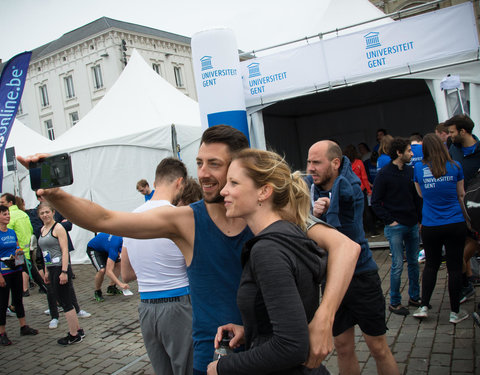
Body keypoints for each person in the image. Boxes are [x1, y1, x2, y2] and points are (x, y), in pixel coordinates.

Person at [19, 125, 359, 374]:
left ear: (238, 168)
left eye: (214, 164)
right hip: (211, 358)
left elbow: (345, 248)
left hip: (270, 357)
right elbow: (106, 218)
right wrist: (57, 195)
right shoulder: (185, 221)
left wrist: (323, 318)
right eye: (199, 163)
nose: (204, 174)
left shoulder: (270, 219)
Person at [207, 149, 329, 375]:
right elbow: (291, 315)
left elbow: (291, 346)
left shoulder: (268, 250)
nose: (224, 190)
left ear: (264, 191)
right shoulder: (288, 234)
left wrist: (222, 367)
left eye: (234, 183)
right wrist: (254, 329)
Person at [307, 140, 399, 375]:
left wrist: (327, 207)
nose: (310, 168)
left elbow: (346, 205)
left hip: (360, 277)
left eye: (316, 162)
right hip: (332, 280)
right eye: (309, 162)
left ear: (335, 163)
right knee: (343, 346)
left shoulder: (349, 188)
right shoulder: (311, 191)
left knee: (377, 347)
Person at [122, 158, 193, 375]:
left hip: (146, 306)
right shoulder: (180, 216)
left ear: (155, 181)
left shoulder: (130, 217)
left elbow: (126, 274)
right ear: (179, 182)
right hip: (178, 303)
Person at [412, 133, 469, 324]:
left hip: (431, 224)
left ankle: (423, 306)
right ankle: (455, 312)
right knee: (454, 268)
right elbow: (461, 195)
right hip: (455, 222)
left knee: (431, 265)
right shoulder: (455, 166)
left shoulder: (419, 168)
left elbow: (421, 195)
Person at [372, 137, 422, 315]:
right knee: (397, 265)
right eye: (409, 150)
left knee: (414, 263)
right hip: (395, 227)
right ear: (399, 153)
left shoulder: (411, 171)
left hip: (412, 224)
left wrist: (419, 219)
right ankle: (394, 302)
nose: (411, 153)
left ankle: (415, 297)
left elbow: (417, 197)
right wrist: (390, 221)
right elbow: (375, 202)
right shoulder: (384, 174)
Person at [37, 201, 84, 345]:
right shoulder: (42, 230)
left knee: (65, 302)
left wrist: (64, 271)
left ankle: (73, 334)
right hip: (51, 268)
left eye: (47, 212)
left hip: (60, 268)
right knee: (64, 299)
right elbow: (46, 253)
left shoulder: (58, 228)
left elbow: (64, 251)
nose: (45, 215)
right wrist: (46, 271)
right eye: (42, 213)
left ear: (53, 213)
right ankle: (78, 330)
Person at [446, 114, 480, 303]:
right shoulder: (453, 149)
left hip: (477, 208)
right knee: (461, 248)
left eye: (452, 132)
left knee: (470, 247)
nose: (449, 136)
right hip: (459, 208)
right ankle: (465, 284)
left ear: (463, 131)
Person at [0, 205, 38, 345]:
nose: (8, 216)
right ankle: (2, 333)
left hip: (15, 270)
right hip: (3, 273)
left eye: (8, 214)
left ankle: (23, 326)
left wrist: (19, 252)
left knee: (18, 300)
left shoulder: (11, 232)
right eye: (4, 214)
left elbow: (16, 246)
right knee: (3, 303)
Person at [0, 193, 34, 296]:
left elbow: (5, 230)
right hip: (23, 251)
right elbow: (31, 229)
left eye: (2, 202)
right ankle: (25, 289)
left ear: (10, 203)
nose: (1, 204)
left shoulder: (11, 216)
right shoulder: (23, 213)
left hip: (14, 255)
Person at [86, 232, 126, 302]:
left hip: (106, 246)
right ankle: (97, 291)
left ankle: (111, 287)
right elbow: (109, 271)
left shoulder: (123, 240)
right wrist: (120, 284)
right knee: (102, 270)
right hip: (94, 249)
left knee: (118, 264)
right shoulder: (115, 245)